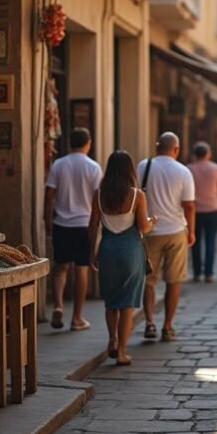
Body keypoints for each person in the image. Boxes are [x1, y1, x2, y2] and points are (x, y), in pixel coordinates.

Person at [87, 151, 156, 366]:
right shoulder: (137, 195)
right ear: (129, 170)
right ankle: (123, 352)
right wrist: (153, 220)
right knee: (127, 304)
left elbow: (92, 226)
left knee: (111, 302)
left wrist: (92, 252)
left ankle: (112, 341)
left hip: (107, 248)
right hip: (131, 250)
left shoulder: (99, 194)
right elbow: (143, 227)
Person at [137, 133, 196, 342]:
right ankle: (168, 326)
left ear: (157, 146)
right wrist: (191, 231)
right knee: (174, 281)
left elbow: (137, 195)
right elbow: (189, 205)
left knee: (149, 281)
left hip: (150, 231)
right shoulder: (183, 171)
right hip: (176, 231)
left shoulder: (143, 166)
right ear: (176, 149)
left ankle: (150, 322)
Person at [44, 128, 102, 331]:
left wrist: (47, 219)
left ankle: (58, 306)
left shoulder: (59, 164)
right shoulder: (94, 167)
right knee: (81, 270)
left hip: (62, 223)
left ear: (70, 143)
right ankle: (77, 317)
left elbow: (50, 194)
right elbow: (98, 200)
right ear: (89, 143)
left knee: (60, 268)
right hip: (84, 225)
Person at [188, 142, 217, 283]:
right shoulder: (216, 169)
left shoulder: (189, 169)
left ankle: (197, 272)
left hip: (194, 210)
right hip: (213, 209)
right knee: (211, 241)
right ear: (208, 153)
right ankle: (209, 273)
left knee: (195, 241)